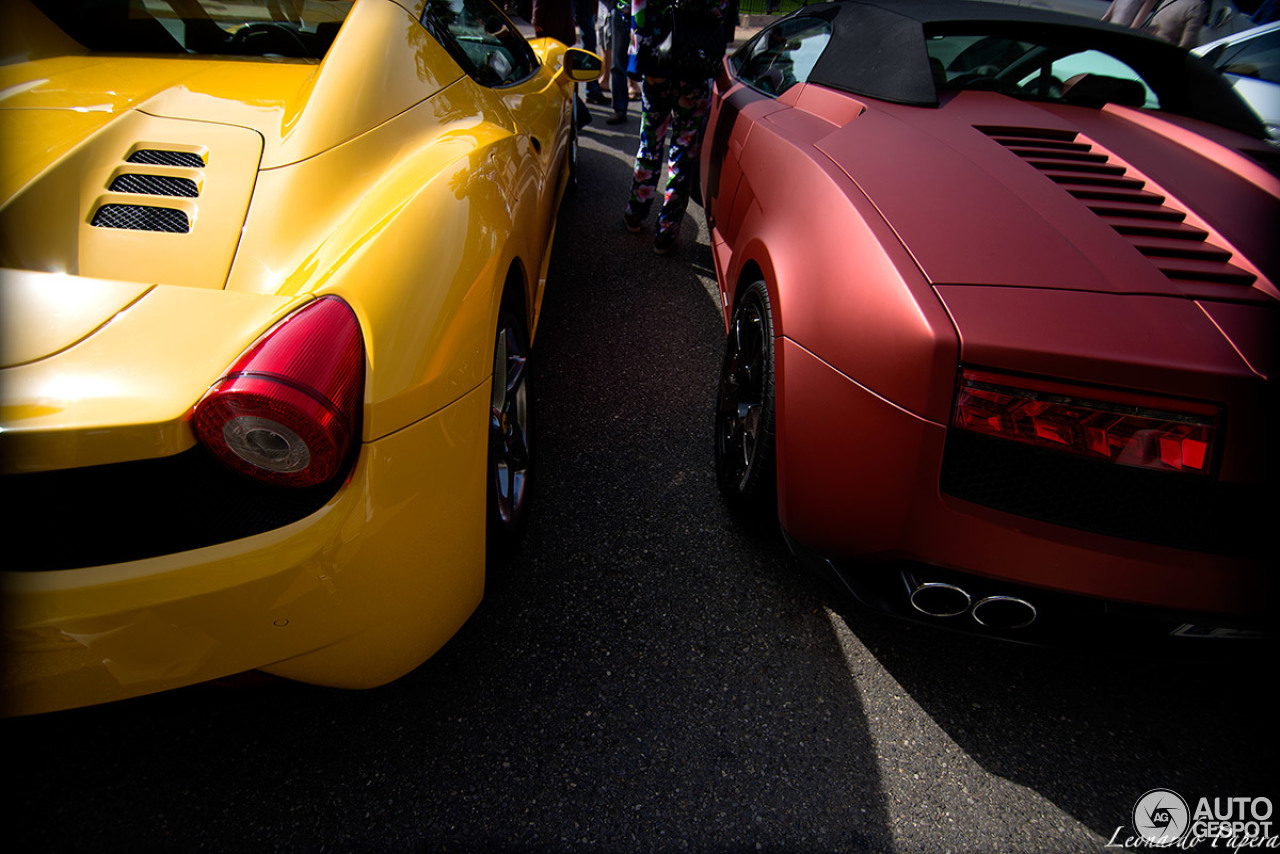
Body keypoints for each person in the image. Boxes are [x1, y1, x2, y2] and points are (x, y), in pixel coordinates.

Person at [622, 0, 729, 255]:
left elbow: (631, 8)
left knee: (650, 141)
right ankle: (667, 231)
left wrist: (637, 60)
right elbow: (719, 9)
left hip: (658, 61)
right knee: (684, 148)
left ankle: (636, 212)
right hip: (695, 62)